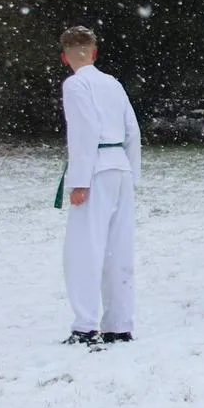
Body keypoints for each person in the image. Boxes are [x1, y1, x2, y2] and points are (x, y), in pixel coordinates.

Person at [57, 26, 142, 346]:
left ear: (65, 57)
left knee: (83, 248)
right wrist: (131, 173)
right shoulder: (113, 84)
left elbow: (84, 132)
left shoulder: (76, 85)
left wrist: (79, 181)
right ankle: (119, 324)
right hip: (120, 167)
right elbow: (132, 130)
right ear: (94, 53)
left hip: (96, 171)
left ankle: (85, 325)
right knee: (118, 248)